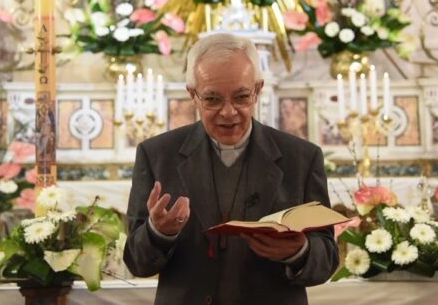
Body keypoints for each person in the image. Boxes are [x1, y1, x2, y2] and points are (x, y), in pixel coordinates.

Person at [124, 33, 339, 304]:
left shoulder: (301, 158)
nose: (228, 112)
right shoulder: (156, 155)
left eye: (241, 97)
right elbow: (137, 262)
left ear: (257, 90)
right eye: (213, 99)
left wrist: (300, 250)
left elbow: (327, 259)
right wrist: (158, 232)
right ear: (193, 95)